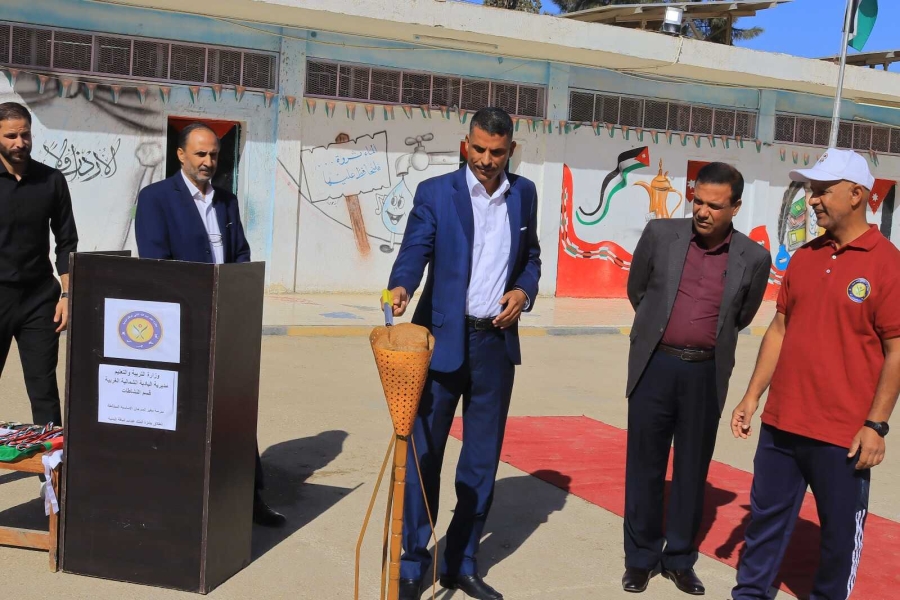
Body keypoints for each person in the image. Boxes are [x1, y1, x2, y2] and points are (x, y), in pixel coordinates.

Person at [731, 149, 900, 600]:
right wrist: (752, 396)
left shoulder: (888, 264)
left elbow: (897, 351)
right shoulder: (805, 257)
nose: (812, 200)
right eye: (812, 190)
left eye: (823, 190)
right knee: (764, 526)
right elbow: (779, 329)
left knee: (838, 539)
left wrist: (876, 425)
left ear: (857, 195)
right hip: (781, 425)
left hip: (843, 435)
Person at [387, 107, 541, 600]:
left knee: (481, 460)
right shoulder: (436, 192)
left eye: (497, 152)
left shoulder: (525, 194)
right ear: (465, 144)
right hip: (440, 344)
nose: (486, 160)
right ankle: (412, 563)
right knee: (424, 457)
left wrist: (523, 291)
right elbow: (415, 249)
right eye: (478, 149)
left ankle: (462, 561)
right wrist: (402, 285)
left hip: (495, 345)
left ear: (510, 150)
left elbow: (532, 257)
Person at [624, 162, 771, 595]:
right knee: (645, 466)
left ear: (735, 207)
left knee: (692, 469)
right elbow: (638, 291)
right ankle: (641, 558)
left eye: (715, 205)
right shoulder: (660, 235)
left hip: (705, 373)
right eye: (698, 201)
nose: (703, 212)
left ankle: (679, 559)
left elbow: (742, 317)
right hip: (655, 366)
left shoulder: (754, 258)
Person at [135, 122, 284, 528]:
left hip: (227, 324)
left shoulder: (227, 201)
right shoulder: (156, 199)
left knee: (234, 410)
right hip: (181, 328)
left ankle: (247, 497)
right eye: (200, 154)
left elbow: (240, 255)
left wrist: (240, 300)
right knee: (181, 415)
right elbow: (157, 266)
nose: (208, 162)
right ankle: (176, 501)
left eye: (214, 155)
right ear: (180, 155)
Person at [0, 102, 77, 429]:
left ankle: (52, 459)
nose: (20, 143)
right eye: (11, 136)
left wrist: (67, 296)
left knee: (44, 390)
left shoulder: (51, 180)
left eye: (25, 135)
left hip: (39, 299)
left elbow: (67, 241)